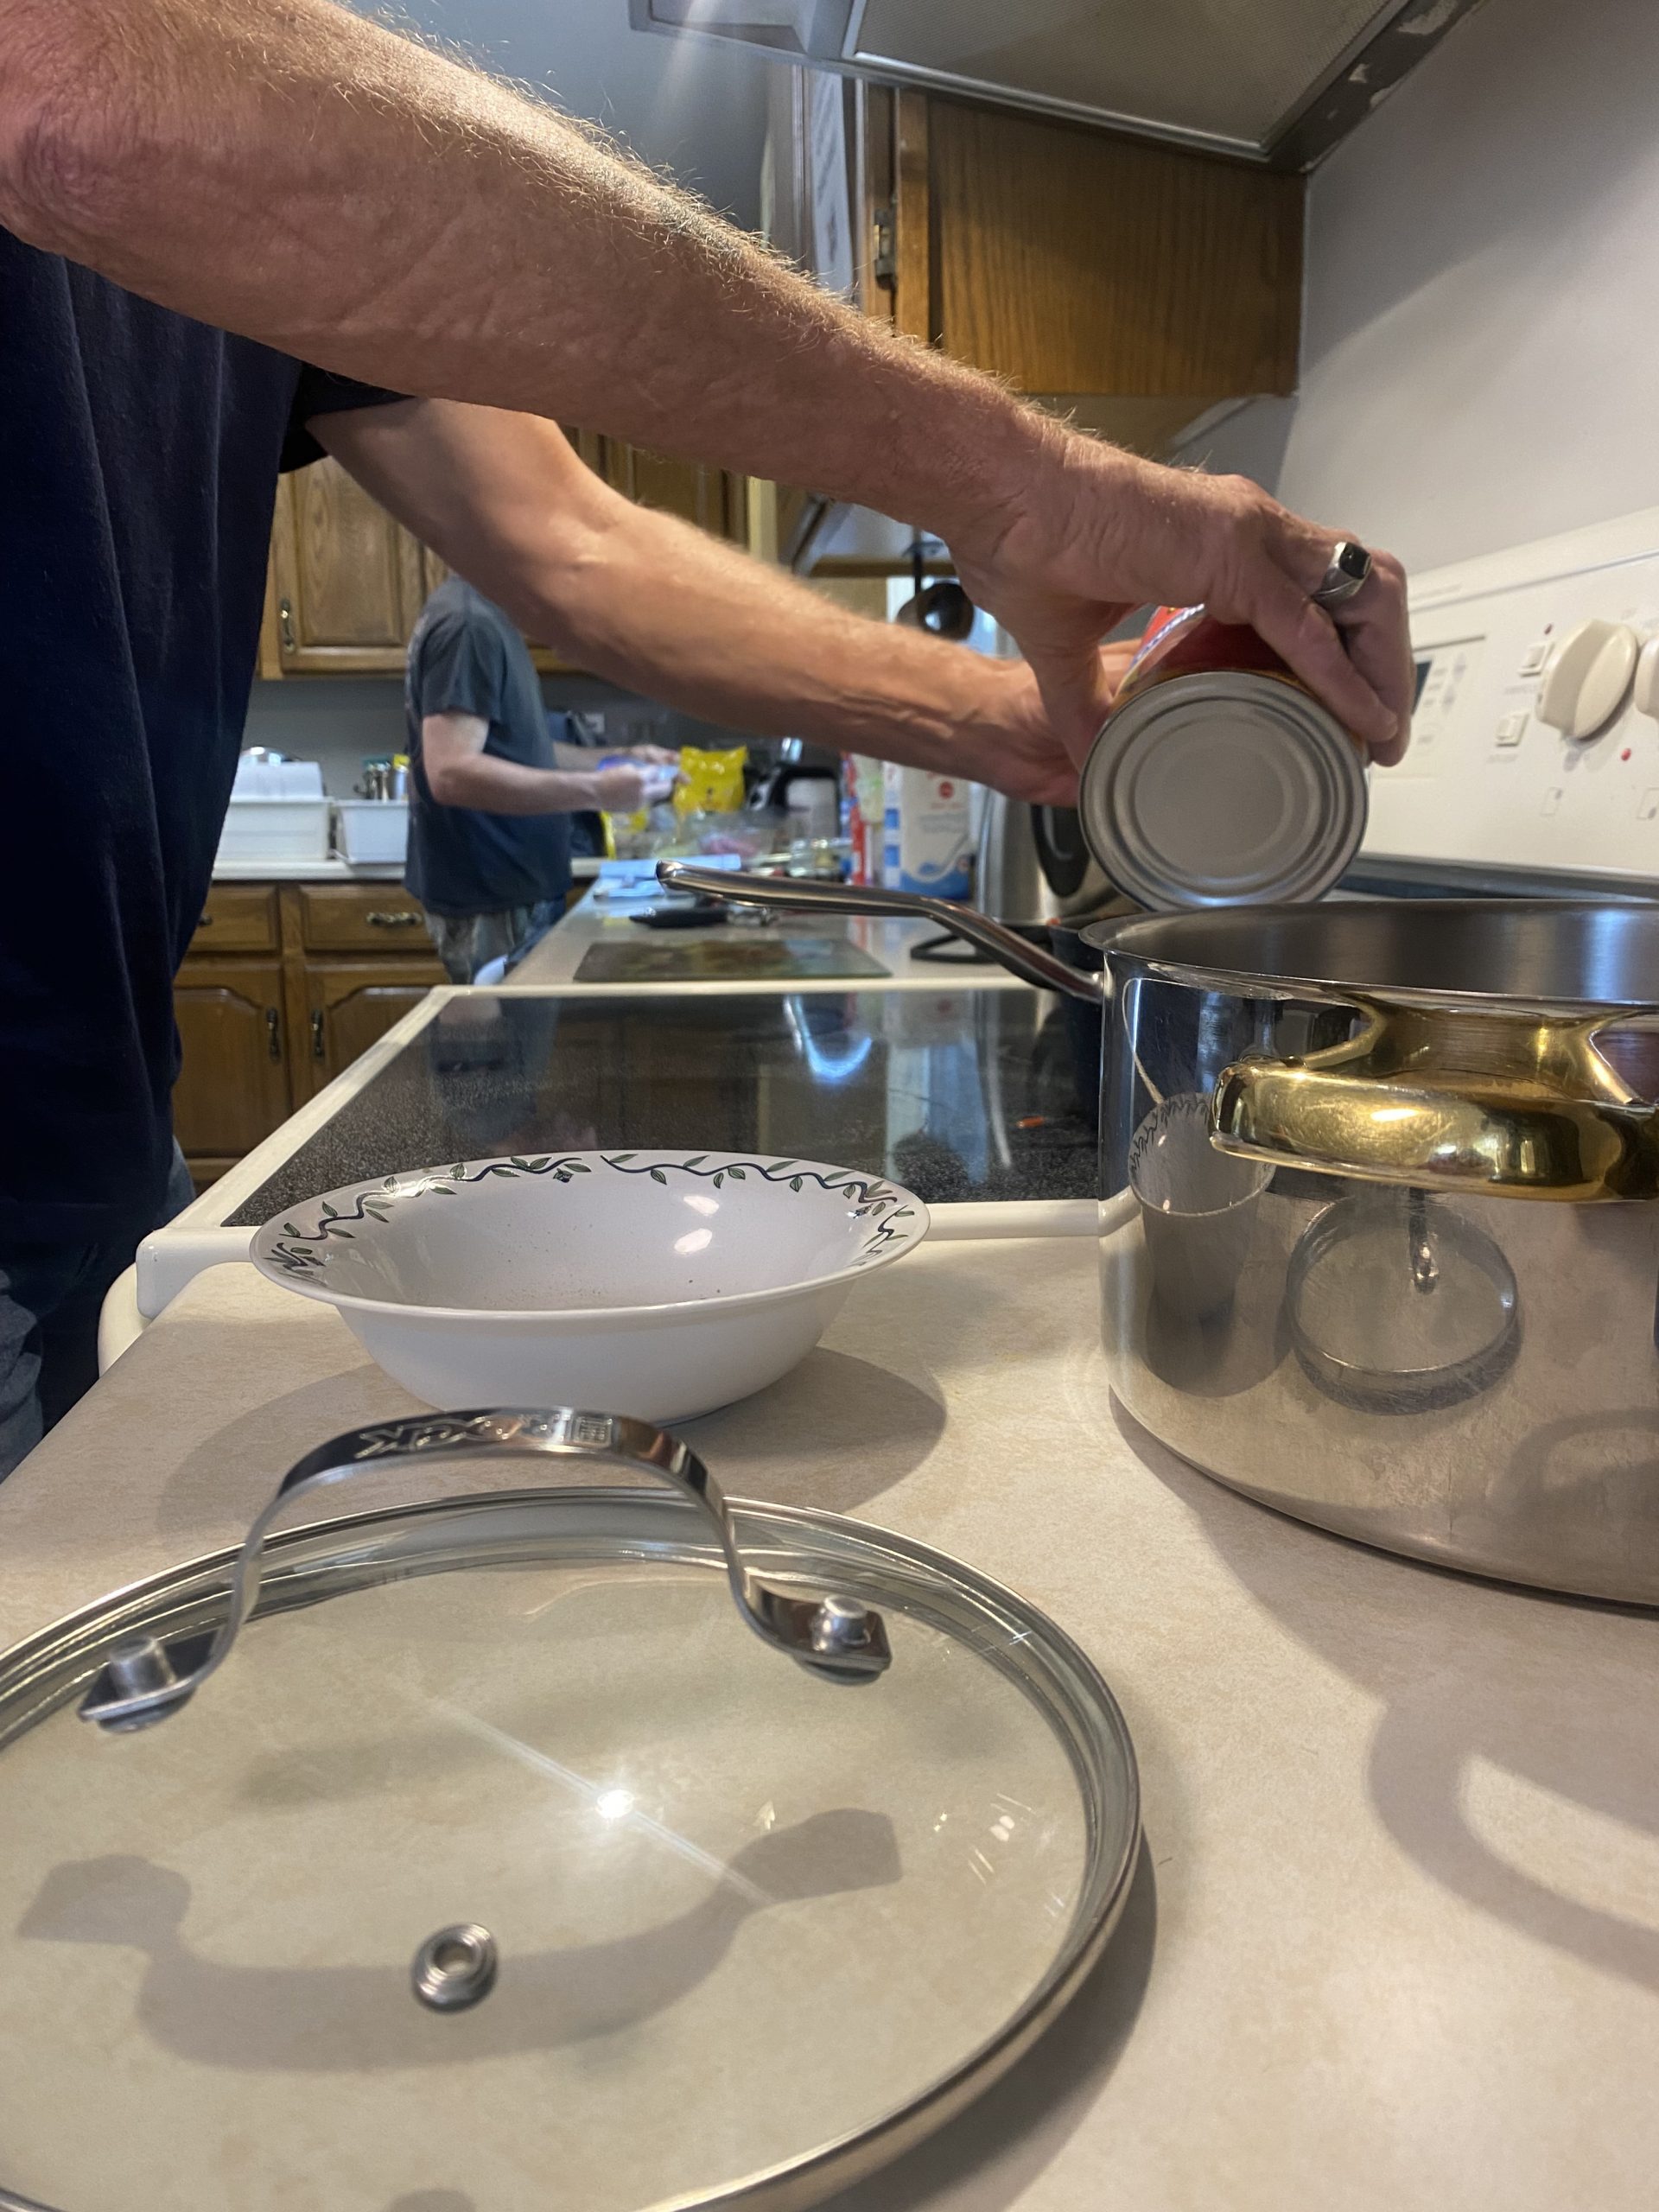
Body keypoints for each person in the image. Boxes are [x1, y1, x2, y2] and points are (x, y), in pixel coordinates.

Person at [0, 0, 1413, 1473]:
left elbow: (577, 544)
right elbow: (75, 97)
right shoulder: (137, 79)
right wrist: (1026, 484)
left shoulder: (232, 159)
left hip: (91, 1116)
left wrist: (1034, 722)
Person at [404, 575, 675, 984]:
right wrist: (598, 793)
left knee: (516, 1044)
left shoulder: (485, 616)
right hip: (493, 899)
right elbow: (451, 774)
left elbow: (518, 751)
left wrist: (617, 759)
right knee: (502, 1046)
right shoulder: (469, 625)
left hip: (510, 894)